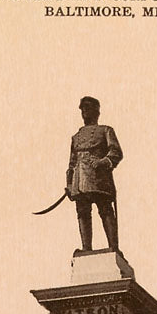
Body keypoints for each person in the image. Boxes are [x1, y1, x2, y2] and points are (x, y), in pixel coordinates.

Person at [66, 96, 123, 251]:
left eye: (88, 108)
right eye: (82, 109)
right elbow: (72, 163)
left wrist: (103, 162)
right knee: (82, 212)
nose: (84, 111)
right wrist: (69, 184)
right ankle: (86, 248)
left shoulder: (105, 130)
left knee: (105, 210)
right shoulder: (76, 137)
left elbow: (116, 152)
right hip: (79, 181)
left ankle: (113, 247)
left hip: (99, 178)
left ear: (96, 111)